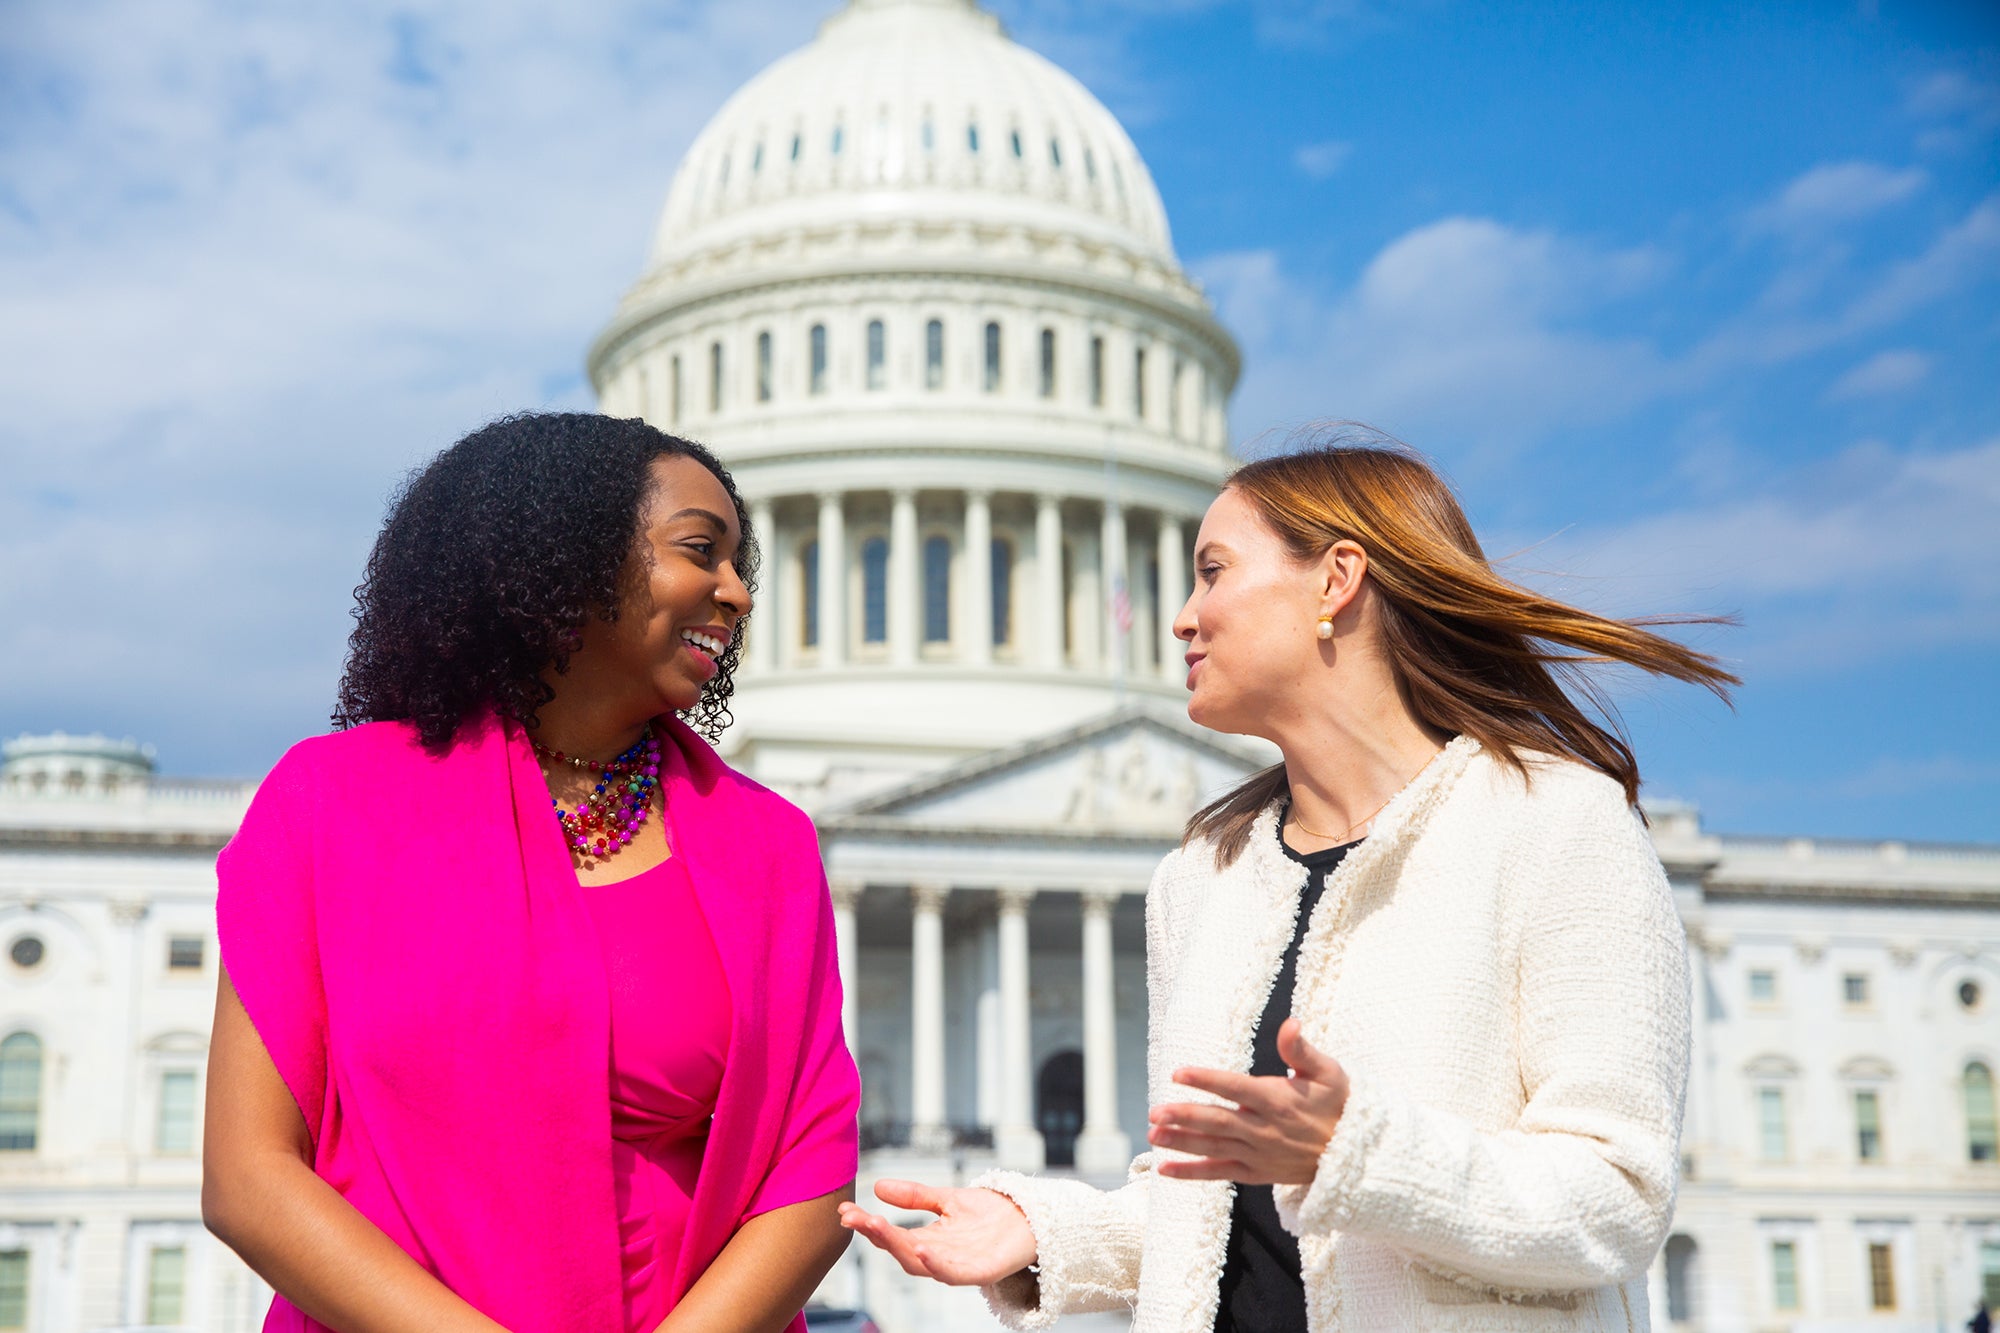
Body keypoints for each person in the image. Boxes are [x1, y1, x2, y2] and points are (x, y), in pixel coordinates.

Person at [840, 436, 1734, 1331]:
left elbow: (1617, 1197)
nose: (1182, 617)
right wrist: (1043, 1230)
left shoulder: (1556, 824)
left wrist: (1357, 1149)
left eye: (1212, 572)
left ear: (1336, 580)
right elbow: (1205, 1212)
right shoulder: (1203, 877)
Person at [202, 412, 859, 1333]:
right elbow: (247, 1177)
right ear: (570, 555)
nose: (737, 592)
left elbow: (811, 1165)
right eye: (701, 550)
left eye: (738, 563)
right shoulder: (329, 803)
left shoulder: (768, 844)